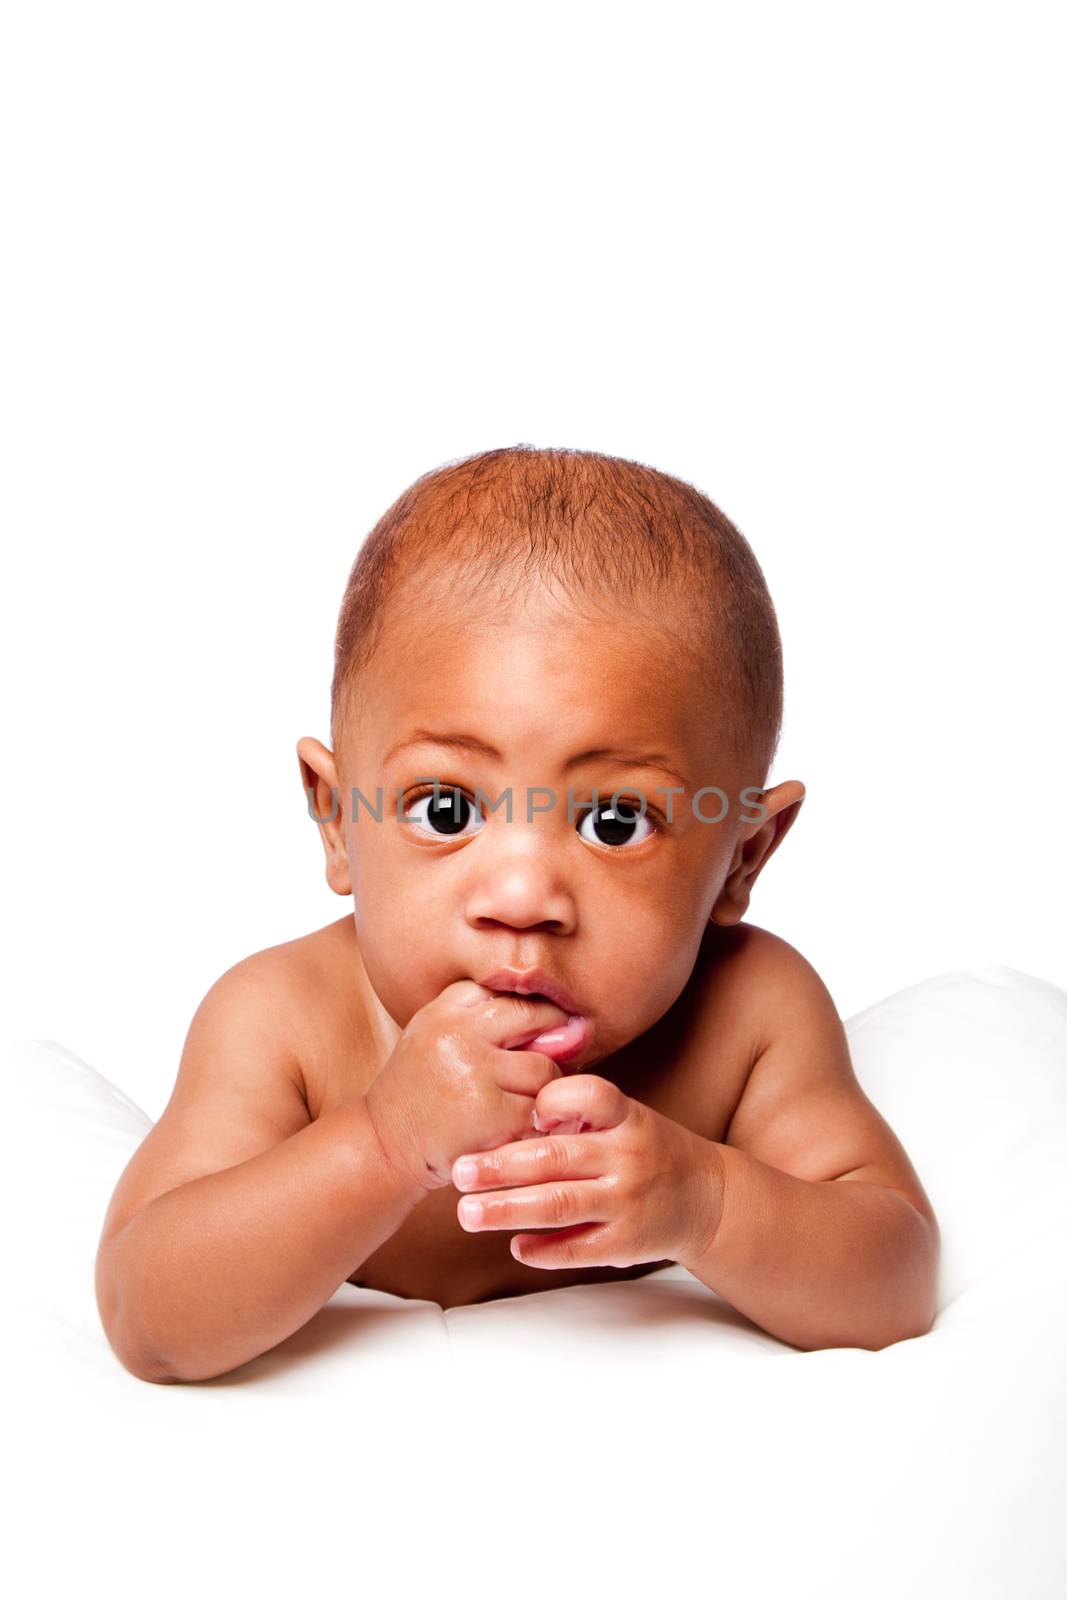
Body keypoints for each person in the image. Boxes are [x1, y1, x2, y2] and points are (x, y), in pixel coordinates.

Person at [95, 444, 939, 1382]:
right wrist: (381, 1142)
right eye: (446, 811)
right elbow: (147, 1312)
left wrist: (706, 1202)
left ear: (742, 857)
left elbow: (894, 1281)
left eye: (615, 822)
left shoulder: (750, 1017)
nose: (522, 898)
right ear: (338, 821)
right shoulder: (286, 1024)